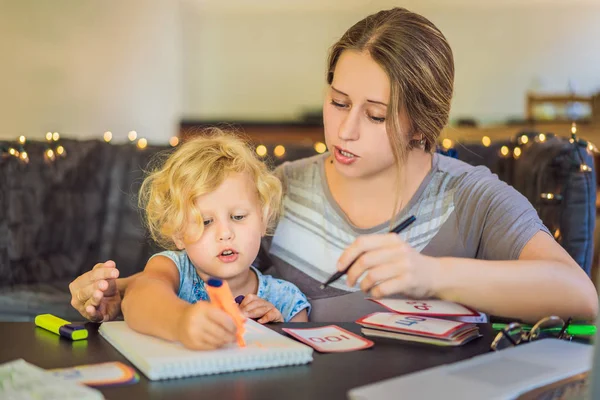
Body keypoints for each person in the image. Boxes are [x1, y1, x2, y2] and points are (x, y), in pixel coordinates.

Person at [69, 7, 597, 325]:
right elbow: (180, 277)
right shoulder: (275, 193)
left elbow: (578, 296)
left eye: (374, 115)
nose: (345, 131)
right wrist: (111, 296)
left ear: (422, 123)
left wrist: (431, 274)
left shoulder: (471, 198)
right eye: (338, 103)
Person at [119, 132, 310, 350]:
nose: (225, 233)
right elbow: (137, 299)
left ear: (263, 220)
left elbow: (300, 366)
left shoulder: (287, 301)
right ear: (179, 234)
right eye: (206, 221)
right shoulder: (173, 269)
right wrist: (182, 321)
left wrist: (274, 332)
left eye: (238, 216)